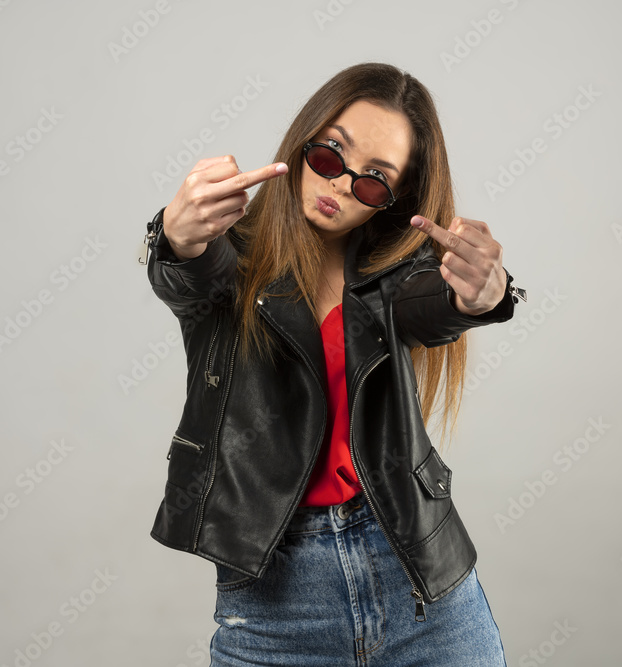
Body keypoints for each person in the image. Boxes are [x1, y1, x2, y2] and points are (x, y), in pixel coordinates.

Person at [141, 61, 524, 666]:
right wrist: (176, 235)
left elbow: (443, 304)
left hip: (420, 584)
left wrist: (485, 294)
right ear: (304, 140)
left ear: (394, 200)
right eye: (330, 154)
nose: (343, 184)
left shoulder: (398, 276)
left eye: (374, 180)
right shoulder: (230, 259)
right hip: (275, 602)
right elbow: (187, 275)